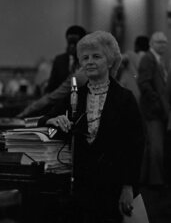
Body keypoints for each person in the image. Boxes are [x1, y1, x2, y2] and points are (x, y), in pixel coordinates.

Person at [38, 31, 145, 223]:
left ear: (110, 61)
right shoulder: (75, 95)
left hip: (113, 185)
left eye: (96, 56)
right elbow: (45, 120)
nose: (89, 62)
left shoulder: (124, 98)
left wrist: (128, 187)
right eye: (85, 58)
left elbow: (135, 147)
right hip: (80, 185)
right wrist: (52, 122)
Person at [138, 31, 169, 186]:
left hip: (158, 110)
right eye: (159, 42)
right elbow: (144, 83)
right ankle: (155, 181)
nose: (162, 45)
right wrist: (157, 102)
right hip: (152, 111)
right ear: (151, 43)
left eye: (164, 42)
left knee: (151, 146)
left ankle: (147, 179)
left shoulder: (158, 60)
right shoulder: (148, 59)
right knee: (156, 147)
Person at [46, 25, 87, 93]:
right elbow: (51, 87)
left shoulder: (88, 61)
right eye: (69, 43)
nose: (71, 46)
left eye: (74, 43)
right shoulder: (59, 60)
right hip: (61, 100)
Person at [118, 36, 149, 103]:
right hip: (142, 96)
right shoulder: (150, 60)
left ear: (136, 46)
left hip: (127, 92)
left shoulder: (130, 55)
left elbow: (119, 59)